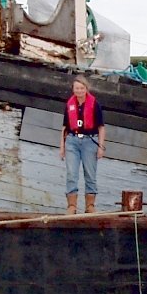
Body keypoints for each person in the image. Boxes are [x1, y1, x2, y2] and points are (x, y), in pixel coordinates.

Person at [60, 74, 106, 214]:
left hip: (89, 142)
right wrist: (62, 147)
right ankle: (72, 206)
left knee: (90, 174)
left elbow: (101, 127)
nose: (79, 91)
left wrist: (100, 146)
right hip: (72, 141)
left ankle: (90, 206)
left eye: (81, 88)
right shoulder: (70, 105)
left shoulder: (94, 104)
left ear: (86, 89)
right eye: (76, 88)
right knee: (71, 174)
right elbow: (64, 128)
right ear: (73, 89)